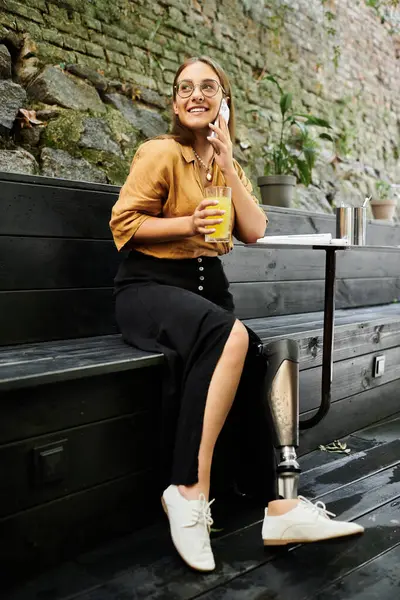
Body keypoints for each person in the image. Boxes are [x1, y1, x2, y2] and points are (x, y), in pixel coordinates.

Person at [110, 56, 364, 572]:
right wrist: (185, 225)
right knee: (228, 334)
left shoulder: (226, 164)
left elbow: (252, 229)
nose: (195, 95)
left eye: (208, 87)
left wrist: (227, 161)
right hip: (149, 287)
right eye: (185, 87)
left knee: (271, 354)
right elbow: (124, 224)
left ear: (224, 101)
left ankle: (283, 504)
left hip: (207, 294)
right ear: (176, 102)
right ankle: (188, 490)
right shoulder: (161, 153)